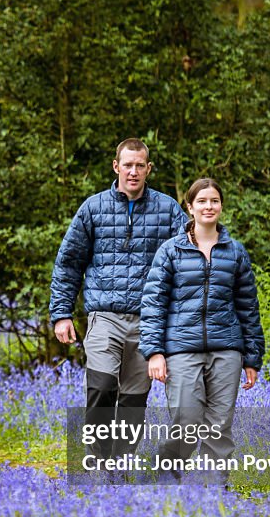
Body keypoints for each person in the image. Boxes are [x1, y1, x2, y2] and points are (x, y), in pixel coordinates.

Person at [50, 138, 186, 462]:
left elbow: (187, 265)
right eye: (128, 165)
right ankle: (98, 462)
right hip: (104, 316)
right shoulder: (93, 208)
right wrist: (61, 314)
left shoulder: (168, 210)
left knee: (134, 399)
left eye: (140, 165)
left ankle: (118, 466)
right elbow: (69, 263)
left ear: (149, 169)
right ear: (116, 166)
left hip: (149, 322)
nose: (134, 171)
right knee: (101, 387)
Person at [139, 177, 265, 483]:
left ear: (221, 206)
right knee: (187, 420)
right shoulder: (170, 251)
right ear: (190, 207)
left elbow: (248, 307)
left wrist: (252, 358)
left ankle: (213, 493)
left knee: (218, 425)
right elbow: (153, 303)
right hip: (181, 349)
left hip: (227, 350)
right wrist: (154, 352)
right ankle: (166, 472)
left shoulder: (235, 253)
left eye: (215, 201)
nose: (209, 206)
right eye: (202, 201)